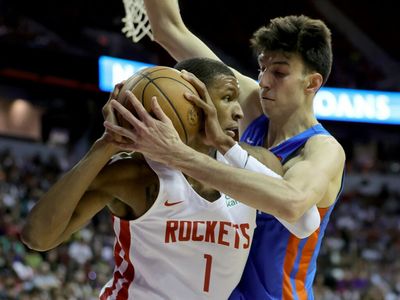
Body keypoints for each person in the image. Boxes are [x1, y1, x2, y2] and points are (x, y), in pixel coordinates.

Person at [109, 1, 346, 299]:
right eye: (262, 68)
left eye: (280, 73)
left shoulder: (322, 149)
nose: (264, 82)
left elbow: (292, 203)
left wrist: (178, 154)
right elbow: (169, 29)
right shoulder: (248, 102)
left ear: (312, 83)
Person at [21, 57, 296, 299]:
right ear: (189, 102)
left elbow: (299, 214)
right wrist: (105, 144)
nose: (238, 111)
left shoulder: (257, 163)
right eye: (227, 98)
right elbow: (38, 237)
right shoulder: (137, 175)